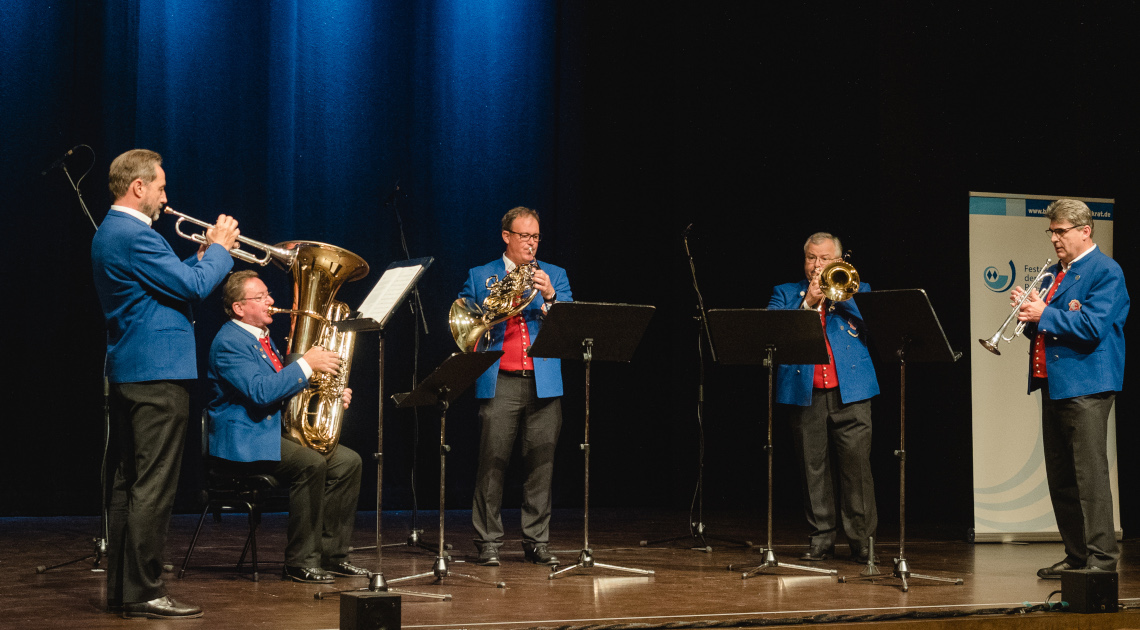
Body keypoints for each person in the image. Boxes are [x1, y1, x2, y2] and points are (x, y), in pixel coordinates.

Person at [92, 149, 238, 619]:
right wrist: (219, 249)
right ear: (138, 187)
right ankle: (146, 591)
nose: (165, 198)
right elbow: (194, 288)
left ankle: (125, 590)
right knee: (153, 486)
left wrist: (199, 260)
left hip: (132, 371)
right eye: (160, 187)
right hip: (158, 374)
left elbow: (173, 282)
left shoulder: (112, 232)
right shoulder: (135, 235)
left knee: (129, 485)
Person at [206, 270, 366, 584]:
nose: (271, 301)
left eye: (268, 294)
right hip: (245, 440)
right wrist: (307, 363)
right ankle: (299, 562)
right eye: (261, 297)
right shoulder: (229, 342)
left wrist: (332, 396)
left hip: (268, 433)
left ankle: (331, 556)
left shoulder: (261, 340)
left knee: (349, 462)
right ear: (239, 308)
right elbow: (261, 391)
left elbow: (283, 389)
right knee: (310, 463)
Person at [1012, 199, 1127, 579]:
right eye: (1052, 232)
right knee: (1061, 477)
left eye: (1061, 231)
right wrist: (1029, 313)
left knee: (1089, 478)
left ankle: (1102, 560)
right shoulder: (1057, 273)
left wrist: (1044, 313)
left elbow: (1093, 327)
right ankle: (1077, 555)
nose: (1055, 239)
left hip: (1088, 384)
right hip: (1055, 383)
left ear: (1084, 231)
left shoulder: (1105, 271)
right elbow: (1047, 327)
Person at [461, 206, 572, 566]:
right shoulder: (480, 276)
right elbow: (467, 328)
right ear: (506, 236)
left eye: (536, 236)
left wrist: (551, 298)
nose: (531, 244)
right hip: (501, 381)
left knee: (541, 465)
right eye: (524, 236)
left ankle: (536, 540)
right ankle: (488, 541)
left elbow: (569, 330)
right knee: (492, 465)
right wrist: (495, 309)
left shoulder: (555, 275)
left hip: (544, 383)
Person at [767, 232, 879, 564]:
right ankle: (822, 538)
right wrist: (809, 303)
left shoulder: (860, 290)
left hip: (852, 392)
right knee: (812, 467)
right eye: (812, 258)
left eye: (826, 259)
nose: (818, 265)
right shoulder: (784, 293)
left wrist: (837, 293)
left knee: (857, 468)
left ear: (841, 261)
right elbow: (775, 332)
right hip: (806, 393)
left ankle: (862, 541)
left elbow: (873, 320)